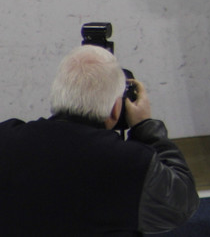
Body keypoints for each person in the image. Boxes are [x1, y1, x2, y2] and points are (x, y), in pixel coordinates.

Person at [0, 45, 199, 235]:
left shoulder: (6, 139)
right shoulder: (130, 162)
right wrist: (146, 127)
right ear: (115, 109)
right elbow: (180, 205)